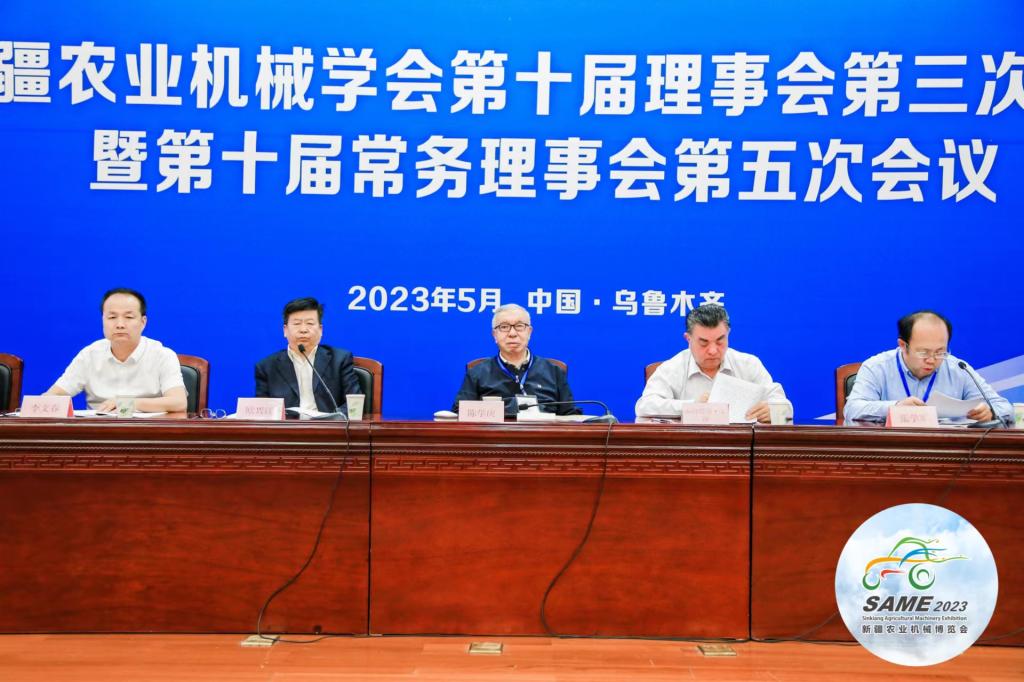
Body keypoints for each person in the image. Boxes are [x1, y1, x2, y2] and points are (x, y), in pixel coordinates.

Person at [843, 310, 1011, 424]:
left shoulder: (958, 368)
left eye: (940, 352)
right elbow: (852, 410)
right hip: (891, 450)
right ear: (903, 345)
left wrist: (990, 412)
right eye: (923, 352)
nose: (932, 360)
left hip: (947, 451)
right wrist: (895, 407)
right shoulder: (876, 367)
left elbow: (1004, 407)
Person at [635, 304, 789, 422]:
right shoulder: (672, 368)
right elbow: (645, 406)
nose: (713, 350)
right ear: (688, 339)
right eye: (704, 343)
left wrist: (774, 410)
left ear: (728, 334)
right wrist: (692, 407)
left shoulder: (748, 364)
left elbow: (785, 408)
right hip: (688, 446)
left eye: (720, 341)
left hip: (740, 447)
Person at [46, 288, 187, 413]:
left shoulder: (162, 355)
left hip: (148, 431)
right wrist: (41, 404)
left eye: (129, 317)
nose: (120, 324)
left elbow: (179, 402)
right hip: (99, 431)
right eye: (112, 317)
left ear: (143, 322)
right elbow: (54, 395)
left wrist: (128, 404)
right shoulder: (89, 355)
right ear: (103, 320)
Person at [452, 303, 580, 416]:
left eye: (519, 326)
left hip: (544, 434)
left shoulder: (554, 371)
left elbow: (570, 415)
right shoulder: (477, 372)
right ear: (494, 335)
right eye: (504, 327)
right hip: (494, 434)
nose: (512, 333)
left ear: (529, 332)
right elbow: (459, 412)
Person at [255, 297, 362, 415]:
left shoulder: (340, 360)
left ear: (320, 330)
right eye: (297, 324)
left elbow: (354, 405)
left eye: (310, 323)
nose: (303, 330)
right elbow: (262, 412)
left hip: (328, 425)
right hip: (288, 426)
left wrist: (332, 419)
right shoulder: (267, 367)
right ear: (285, 330)